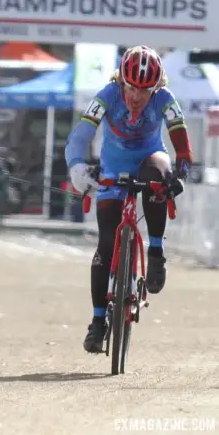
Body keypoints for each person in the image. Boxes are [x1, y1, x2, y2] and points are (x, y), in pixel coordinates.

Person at [65, 45, 191, 353]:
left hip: (150, 159)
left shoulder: (165, 100)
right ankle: (97, 321)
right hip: (113, 170)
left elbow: (181, 143)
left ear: (157, 88)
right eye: (132, 88)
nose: (137, 96)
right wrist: (76, 166)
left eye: (145, 91)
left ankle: (157, 252)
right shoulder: (107, 95)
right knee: (106, 243)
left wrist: (182, 172)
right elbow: (80, 136)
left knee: (156, 178)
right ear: (122, 82)